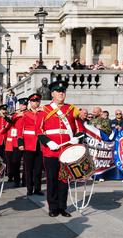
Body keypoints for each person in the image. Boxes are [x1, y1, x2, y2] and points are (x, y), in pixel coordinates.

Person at [36, 80, 84, 218]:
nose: (61, 93)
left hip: (67, 151)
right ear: (52, 94)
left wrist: (77, 137)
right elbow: (39, 130)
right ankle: (53, 207)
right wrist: (48, 142)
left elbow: (80, 129)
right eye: (58, 91)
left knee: (64, 179)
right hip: (51, 151)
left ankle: (63, 207)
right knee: (51, 179)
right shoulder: (44, 110)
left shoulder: (71, 109)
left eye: (63, 91)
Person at [18, 93, 43, 196]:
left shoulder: (43, 114)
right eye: (33, 101)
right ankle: (29, 188)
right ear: (30, 102)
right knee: (28, 169)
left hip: (40, 145)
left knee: (38, 169)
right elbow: (20, 130)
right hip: (28, 145)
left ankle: (37, 188)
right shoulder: (25, 114)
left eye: (37, 101)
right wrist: (20, 143)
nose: (35, 103)